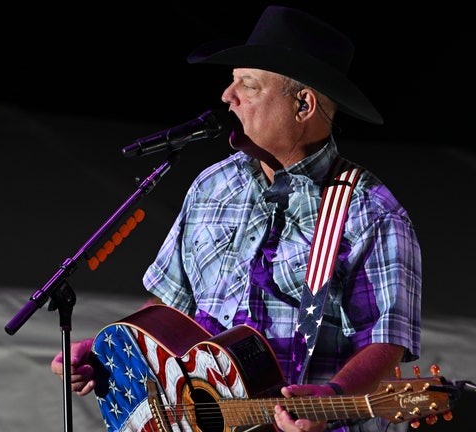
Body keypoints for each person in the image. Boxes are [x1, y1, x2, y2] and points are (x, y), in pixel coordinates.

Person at [51, 5, 421, 432]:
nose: (228, 97)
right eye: (232, 83)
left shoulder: (371, 210)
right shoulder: (211, 187)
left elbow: (385, 340)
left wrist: (334, 398)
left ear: (303, 104)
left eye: (248, 85)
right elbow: (171, 306)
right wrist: (109, 357)